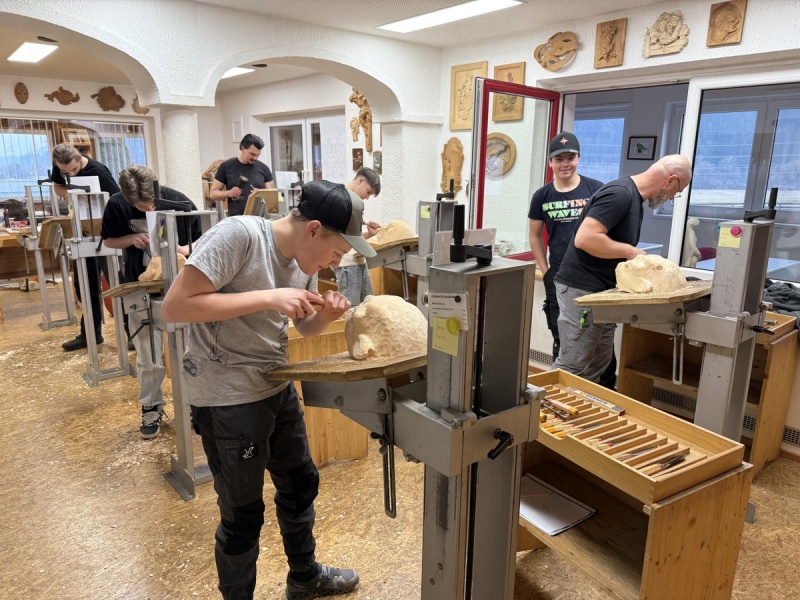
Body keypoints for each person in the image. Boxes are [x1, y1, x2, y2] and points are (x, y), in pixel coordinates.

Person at [161, 179, 375, 599]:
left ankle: (304, 577)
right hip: (227, 396)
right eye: (336, 252)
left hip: (275, 383)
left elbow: (302, 325)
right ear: (313, 229)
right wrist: (268, 297)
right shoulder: (239, 235)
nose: (335, 262)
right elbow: (175, 306)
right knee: (243, 514)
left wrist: (325, 318)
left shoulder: (303, 259)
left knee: (300, 483)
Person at [553, 154, 692, 383]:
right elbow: (585, 239)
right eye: (677, 192)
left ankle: (583, 405)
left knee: (599, 361)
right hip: (582, 290)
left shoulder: (635, 200)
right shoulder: (620, 194)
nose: (671, 198)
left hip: (604, 291)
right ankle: (545, 406)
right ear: (670, 180)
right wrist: (631, 252)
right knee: (574, 363)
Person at [101, 166, 201, 438]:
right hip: (140, 283)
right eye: (141, 206)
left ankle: (195, 404)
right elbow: (109, 240)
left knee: (190, 350)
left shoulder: (178, 201)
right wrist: (131, 238)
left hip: (181, 283)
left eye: (152, 203)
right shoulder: (117, 205)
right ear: (127, 197)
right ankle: (151, 405)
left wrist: (185, 249)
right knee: (148, 353)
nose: (149, 208)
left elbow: (205, 240)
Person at [51, 144, 121, 351]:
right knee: (85, 285)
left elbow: (117, 200)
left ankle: (131, 333)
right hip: (82, 230)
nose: (70, 174)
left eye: (73, 170)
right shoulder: (60, 167)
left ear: (79, 158)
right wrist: (70, 195)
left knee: (117, 283)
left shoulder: (99, 171)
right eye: (65, 172)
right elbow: (58, 187)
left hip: (105, 232)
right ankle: (90, 334)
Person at [334, 168, 381, 306]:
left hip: (359, 260)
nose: (367, 197)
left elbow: (354, 238)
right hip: (347, 263)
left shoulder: (356, 204)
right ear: (360, 180)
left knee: (368, 305)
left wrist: (369, 234)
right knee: (350, 309)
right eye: (368, 192)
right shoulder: (340, 199)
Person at [210, 133, 274, 217]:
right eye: (252, 154)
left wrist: (259, 194)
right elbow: (213, 194)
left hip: (259, 219)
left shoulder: (264, 168)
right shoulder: (226, 166)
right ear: (242, 148)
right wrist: (229, 193)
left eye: (257, 155)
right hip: (237, 219)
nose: (255, 158)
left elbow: (272, 196)